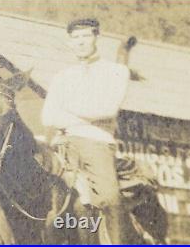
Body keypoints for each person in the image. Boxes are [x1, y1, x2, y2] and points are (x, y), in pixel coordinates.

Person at [41, 18, 129, 244]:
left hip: (97, 143)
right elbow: (48, 116)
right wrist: (87, 114)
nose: (80, 42)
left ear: (96, 37)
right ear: (69, 42)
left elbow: (108, 109)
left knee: (109, 198)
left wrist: (67, 108)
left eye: (86, 36)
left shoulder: (116, 71)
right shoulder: (61, 77)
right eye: (75, 38)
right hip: (64, 143)